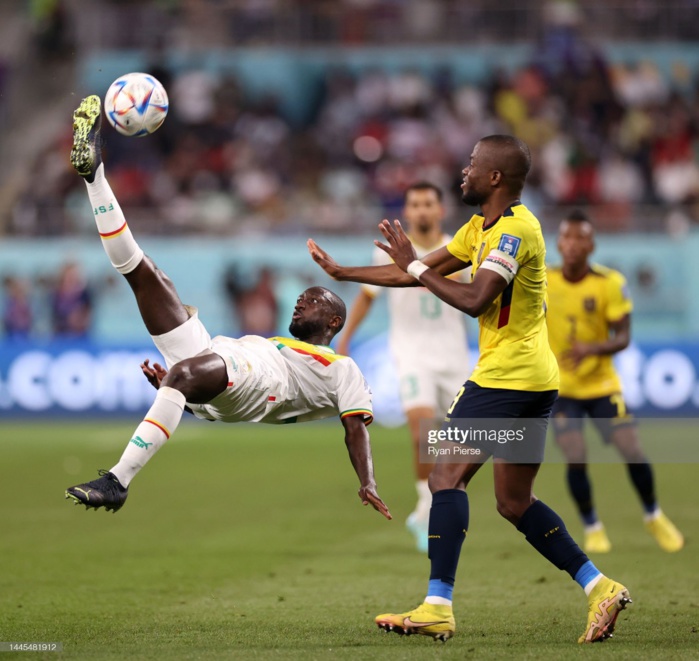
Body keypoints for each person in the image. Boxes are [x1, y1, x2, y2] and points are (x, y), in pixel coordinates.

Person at [307, 135, 631, 644]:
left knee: (444, 476)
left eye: (473, 165)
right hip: (534, 381)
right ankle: (600, 586)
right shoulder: (479, 228)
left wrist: (413, 264)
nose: (464, 171)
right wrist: (343, 272)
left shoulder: (517, 231)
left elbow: (478, 297)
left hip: (506, 379)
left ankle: (437, 604)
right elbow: (418, 271)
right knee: (513, 501)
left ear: (495, 178)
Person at [64, 95, 390, 524]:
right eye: (302, 295)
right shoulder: (279, 346)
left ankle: (118, 482)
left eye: (313, 298)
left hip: (261, 381)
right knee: (148, 275)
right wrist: (181, 394)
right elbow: (223, 405)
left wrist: (367, 480)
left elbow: (355, 429)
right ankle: (95, 176)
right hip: (229, 361)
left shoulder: (342, 368)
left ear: (334, 320)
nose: (301, 299)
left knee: (184, 368)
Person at [336, 182, 469, 552]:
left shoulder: (463, 248)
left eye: (429, 203)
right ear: (407, 212)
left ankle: (430, 507)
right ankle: (426, 512)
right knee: (421, 433)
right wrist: (345, 341)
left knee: (461, 441)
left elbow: (482, 294)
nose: (422, 210)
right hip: (411, 352)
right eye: (415, 204)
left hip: (454, 355)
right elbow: (366, 297)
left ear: (440, 210)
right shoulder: (390, 254)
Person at [547, 210, 683, 553]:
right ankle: (593, 526)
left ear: (592, 244)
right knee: (575, 454)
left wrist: (592, 347)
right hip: (561, 388)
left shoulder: (609, 283)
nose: (574, 244)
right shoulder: (544, 281)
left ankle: (653, 515)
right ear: (559, 242)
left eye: (581, 238)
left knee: (631, 448)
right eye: (567, 237)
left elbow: (623, 337)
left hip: (602, 385)